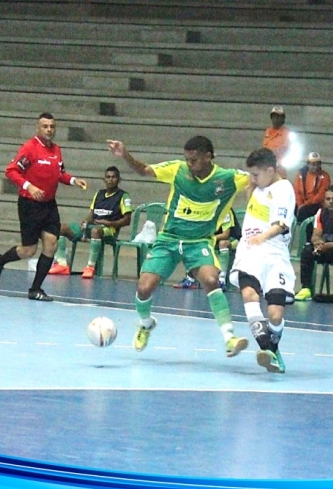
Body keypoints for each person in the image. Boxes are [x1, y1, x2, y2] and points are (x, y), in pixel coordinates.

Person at [106, 136, 249, 356]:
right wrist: (125, 154)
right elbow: (144, 170)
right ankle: (145, 324)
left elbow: (259, 179)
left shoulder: (228, 178)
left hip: (199, 241)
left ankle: (229, 338)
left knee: (211, 280)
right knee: (144, 288)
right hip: (169, 239)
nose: (189, 164)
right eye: (187, 159)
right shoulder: (177, 170)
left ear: (208, 156)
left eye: (194, 160)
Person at [0, 113, 88, 301]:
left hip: (49, 205)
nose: (49, 130)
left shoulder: (56, 150)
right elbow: (11, 171)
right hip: (30, 205)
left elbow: (60, 174)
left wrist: (74, 180)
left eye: (52, 126)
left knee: (51, 244)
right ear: (38, 128)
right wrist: (29, 186)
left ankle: (35, 289)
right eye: (45, 126)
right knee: (29, 250)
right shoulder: (30, 148)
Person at [229, 148, 296, 374]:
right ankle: (265, 348)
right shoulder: (258, 185)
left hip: (275, 253)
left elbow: (281, 225)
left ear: (270, 170)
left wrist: (262, 236)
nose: (252, 179)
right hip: (250, 252)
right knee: (249, 294)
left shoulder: (283, 189)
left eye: (256, 175)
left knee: (275, 314)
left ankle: (273, 349)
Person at [48, 166, 133, 279]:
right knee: (61, 227)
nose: (111, 179)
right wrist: (85, 222)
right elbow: (92, 214)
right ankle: (62, 264)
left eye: (114, 177)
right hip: (93, 227)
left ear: (119, 179)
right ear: (104, 180)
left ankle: (90, 267)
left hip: (109, 230)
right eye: (108, 177)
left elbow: (127, 220)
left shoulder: (123, 196)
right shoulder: (99, 194)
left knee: (95, 230)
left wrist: (109, 223)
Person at [173, 208, 241, 289]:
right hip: (213, 239)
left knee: (223, 244)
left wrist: (208, 238)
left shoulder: (225, 210)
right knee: (196, 243)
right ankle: (190, 279)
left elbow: (225, 234)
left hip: (233, 239)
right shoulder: (206, 209)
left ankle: (221, 281)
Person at [292, 151, 331, 224]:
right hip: (302, 204)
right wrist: (300, 204)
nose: (316, 167)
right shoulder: (300, 175)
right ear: (308, 164)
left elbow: (321, 194)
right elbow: (296, 191)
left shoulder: (325, 176)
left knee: (304, 211)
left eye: (318, 164)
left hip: (316, 205)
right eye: (313, 164)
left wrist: (305, 204)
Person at [262, 106, 291, 178]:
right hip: (267, 167)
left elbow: (284, 149)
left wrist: (270, 153)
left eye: (278, 117)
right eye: (274, 117)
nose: (276, 119)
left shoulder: (286, 133)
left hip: (279, 169)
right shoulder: (267, 131)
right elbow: (264, 147)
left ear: (283, 119)